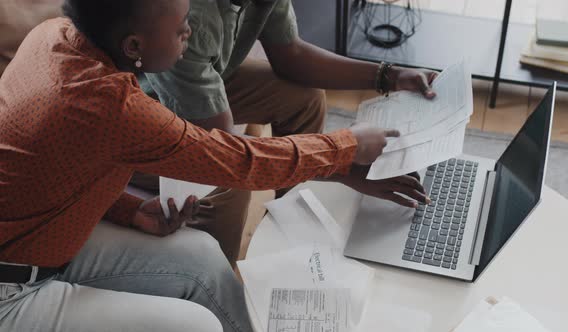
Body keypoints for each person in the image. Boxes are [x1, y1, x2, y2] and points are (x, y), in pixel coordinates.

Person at [0, 0, 428, 331]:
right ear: (134, 47)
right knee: (198, 326)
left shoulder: (52, 34)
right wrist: (345, 146)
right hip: (11, 290)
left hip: (38, 241)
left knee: (203, 255)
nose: (190, 30)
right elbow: (235, 161)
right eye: (180, 27)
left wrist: (130, 210)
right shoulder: (109, 104)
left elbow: (48, 179)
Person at [134, 0, 439, 266]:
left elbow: (291, 54)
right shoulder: (188, 18)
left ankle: (286, 233)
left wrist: (390, 75)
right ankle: (219, 284)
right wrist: (341, 162)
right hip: (145, 120)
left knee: (304, 99)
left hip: (206, 88)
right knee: (228, 184)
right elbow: (228, 155)